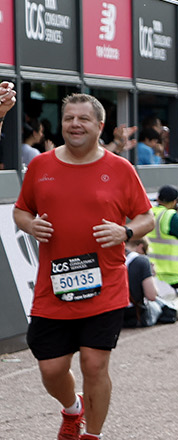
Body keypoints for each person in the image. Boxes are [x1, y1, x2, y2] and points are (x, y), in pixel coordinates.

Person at [15, 93, 155, 440]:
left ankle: (92, 435)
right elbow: (21, 210)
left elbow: (146, 218)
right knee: (51, 368)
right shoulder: (41, 166)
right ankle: (72, 408)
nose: (75, 124)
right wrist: (29, 225)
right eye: (68, 119)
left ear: (99, 126)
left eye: (83, 119)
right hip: (54, 287)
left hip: (104, 284)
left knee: (94, 365)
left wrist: (125, 231)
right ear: (61, 124)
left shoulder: (120, 168)